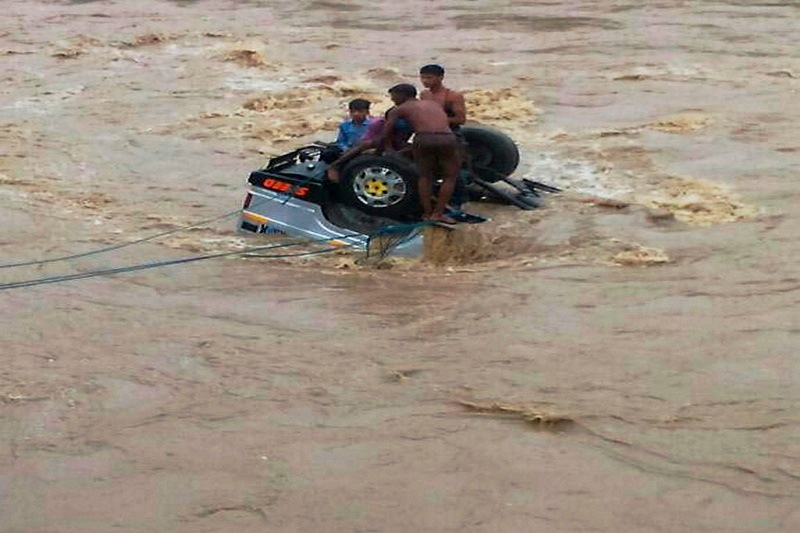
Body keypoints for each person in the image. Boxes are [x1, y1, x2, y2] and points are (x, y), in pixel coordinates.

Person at [381, 83, 460, 224]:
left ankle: (427, 213)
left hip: (424, 138)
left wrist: (386, 150)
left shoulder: (400, 109)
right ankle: (439, 213)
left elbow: (386, 132)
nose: (394, 101)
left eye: (394, 98)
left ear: (402, 96)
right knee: (449, 177)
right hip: (447, 138)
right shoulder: (433, 104)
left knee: (425, 177)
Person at [419, 64, 466, 130]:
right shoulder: (424, 94)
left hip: (450, 132)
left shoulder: (453, 96)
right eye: (422, 77)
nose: (425, 81)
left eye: (429, 78)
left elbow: (461, 120)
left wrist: (436, 120)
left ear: (441, 78)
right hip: (428, 131)